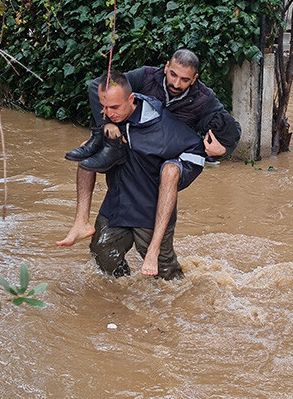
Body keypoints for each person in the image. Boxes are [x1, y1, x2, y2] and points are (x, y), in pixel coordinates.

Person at [57, 49, 241, 278]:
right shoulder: (145, 77)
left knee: (169, 172)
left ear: (194, 79)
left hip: (174, 156)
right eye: (173, 75)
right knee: (103, 251)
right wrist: (103, 127)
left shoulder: (204, 98)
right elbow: (101, 87)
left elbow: (231, 129)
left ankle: (155, 254)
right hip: (137, 152)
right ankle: (119, 284)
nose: (176, 83)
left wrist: (223, 150)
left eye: (184, 80)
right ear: (166, 67)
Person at [87, 71, 205, 280]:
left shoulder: (162, 125)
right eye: (104, 107)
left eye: (114, 108)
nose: (108, 113)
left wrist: (176, 170)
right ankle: (124, 296)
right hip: (117, 205)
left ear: (131, 99)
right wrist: (105, 124)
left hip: (150, 210)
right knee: (103, 252)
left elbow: (196, 151)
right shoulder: (108, 121)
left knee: (166, 275)